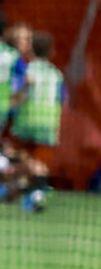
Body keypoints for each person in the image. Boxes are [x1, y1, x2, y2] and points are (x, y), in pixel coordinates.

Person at [9, 30, 62, 211]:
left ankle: (30, 189)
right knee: (37, 163)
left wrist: (12, 102)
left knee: (20, 157)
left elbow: (17, 96)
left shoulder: (27, 70)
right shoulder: (57, 75)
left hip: (26, 123)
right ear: (52, 52)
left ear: (31, 49)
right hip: (48, 125)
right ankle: (30, 192)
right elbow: (62, 100)